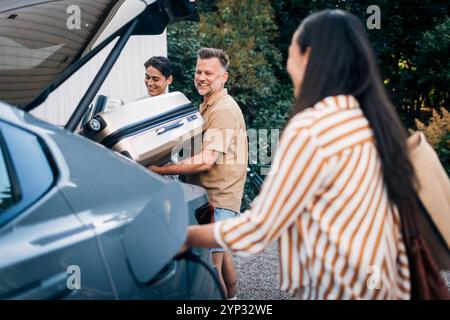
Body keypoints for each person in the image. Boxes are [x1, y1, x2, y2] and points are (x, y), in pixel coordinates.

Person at [182, 10, 418, 300]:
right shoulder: (369, 119)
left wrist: (187, 236)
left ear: (309, 58)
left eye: (291, 49)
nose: (288, 61)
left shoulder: (312, 127)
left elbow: (260, 227)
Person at [149, 48, 248, 300]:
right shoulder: (207, 105)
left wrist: (159, 169)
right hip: (213, 197)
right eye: (198, 71)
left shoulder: (223, 109)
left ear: (223, 77)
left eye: (209, 73)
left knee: (209, 271)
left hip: (218, 198)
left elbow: (205, 161)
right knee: (222, 259)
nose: (201, 77)